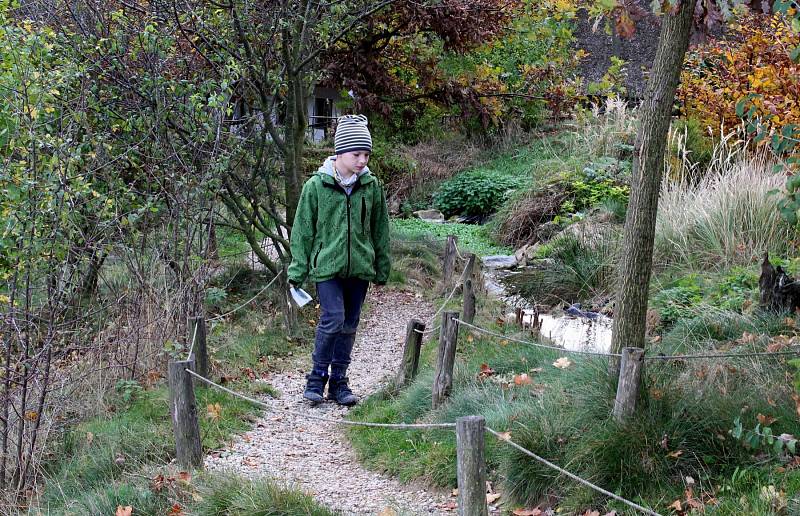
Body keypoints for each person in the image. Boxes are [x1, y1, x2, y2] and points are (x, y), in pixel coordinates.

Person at [287, 114, 391, 406]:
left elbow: (380, 229)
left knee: (349, 323)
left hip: (359, 267)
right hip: (327, 268)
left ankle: (339, 383)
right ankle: (316, 378)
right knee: (332, 318)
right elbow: (302, 231)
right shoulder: (316, 186)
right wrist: (298, 270)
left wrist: (381, 267)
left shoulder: (371, 187)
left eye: (366, 154)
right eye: (357, 153)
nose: (362, 160)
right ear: (340, 152)